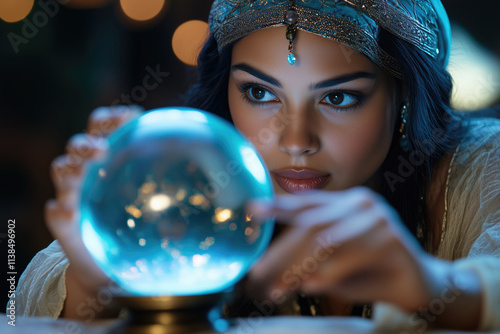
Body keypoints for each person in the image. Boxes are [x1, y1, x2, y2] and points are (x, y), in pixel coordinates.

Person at [11, 0, 500, 332]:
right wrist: (100, 280)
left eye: (338, 96)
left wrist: (439, 288)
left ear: (405, 98)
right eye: (260, 93)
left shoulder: (481, 166)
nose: (294, 141)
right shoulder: (200, 182)